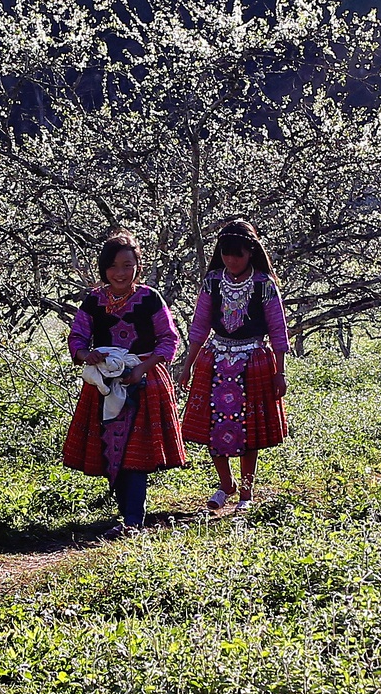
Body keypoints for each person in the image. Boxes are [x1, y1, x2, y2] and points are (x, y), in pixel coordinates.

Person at [61, 230, 184, 536]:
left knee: (136, 452)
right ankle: (127, 516)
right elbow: (77, 337)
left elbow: (168, 340)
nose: (120, 273)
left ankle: (132, 520)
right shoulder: (93, 301)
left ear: (137, 267)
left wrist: (142, 367)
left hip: (144, 382)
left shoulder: (149, 299)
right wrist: (86, 355)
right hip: (104, 384)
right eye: (114, 266)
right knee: (111, 448)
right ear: (104, 268)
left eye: (128, 266)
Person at [179, 218, 290, 511]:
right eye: (226, 253)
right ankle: (225, 483)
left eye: (237, 254)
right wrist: (187, 365)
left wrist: (280, 373)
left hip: (253, 360)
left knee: (247, 428)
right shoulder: (213, 281)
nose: (231, 259)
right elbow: (200, 325)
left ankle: (246, 491)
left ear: (250, 252)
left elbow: (278, 330)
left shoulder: (264, 285)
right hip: (215, 359)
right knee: (214, 423)